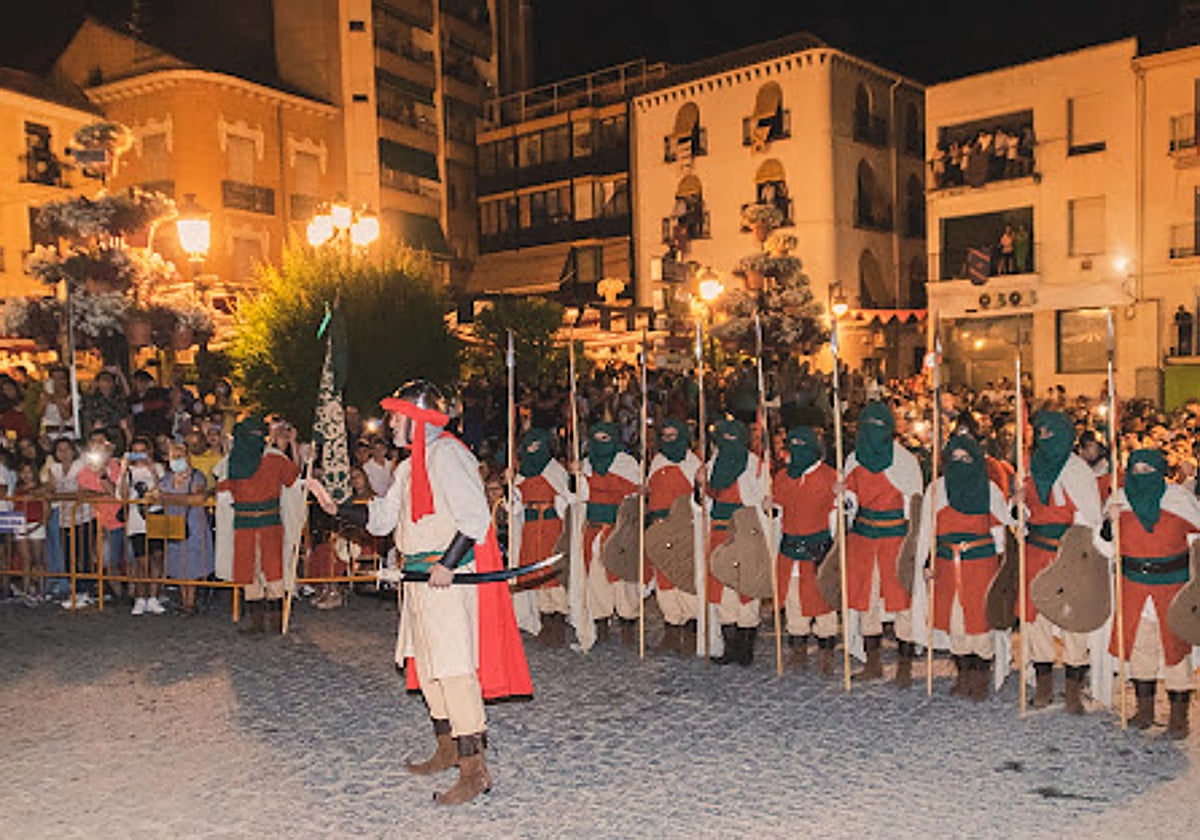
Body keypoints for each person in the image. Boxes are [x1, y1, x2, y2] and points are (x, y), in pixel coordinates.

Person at [309, 379, 531, 806]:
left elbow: (474, 519)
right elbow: (381, 519)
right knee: (428, 668)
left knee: (455, 670)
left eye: (396, 416)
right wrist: (337, 507)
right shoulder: (410, 466)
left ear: (417, 419)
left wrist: (447, 564)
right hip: (416, 581)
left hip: (444, 578)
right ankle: (447, 748)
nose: (390, 423)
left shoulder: (449, 457)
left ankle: (474, 770)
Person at [1108, 448, 1200, 737]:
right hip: (1134, 585)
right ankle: (1144, 710)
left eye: (1149, 470)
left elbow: (1197, 542)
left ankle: (1178, 718)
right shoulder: (1119, 499)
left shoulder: (1179, 499)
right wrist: (1109, 523)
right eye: (1136, 470)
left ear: (1160, 470)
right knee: (1140, 648)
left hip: (1172, 585)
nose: (1141, 476)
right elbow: (1104, 547)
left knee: (1175, 650)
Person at [1017, 411, 1104, 713]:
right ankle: (1043, 687)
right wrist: (1018, 502)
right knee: (1035, 618)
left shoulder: (1077, 471)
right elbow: (1022, 517)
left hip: (1068, 555)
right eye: (1040, 433)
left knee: (1072, 619)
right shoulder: (1028, 468)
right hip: (1036, 552)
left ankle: (1072, 690)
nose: (1044, 439)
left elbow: (1091, 516)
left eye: (1050, 433)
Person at [914, 433, 1011, 700]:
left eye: (965, 458)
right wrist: (927, 561)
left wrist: (1004, 565)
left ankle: (980, 678)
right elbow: (927, 531)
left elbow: (1000, 531)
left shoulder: (988, 489)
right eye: (954, 458)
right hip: (947, 565)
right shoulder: (937, 490)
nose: (960, 463)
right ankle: (964, 675)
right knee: (956, 624)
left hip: (982, 567)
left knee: (980, 623)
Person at [839, 401, 924, 685]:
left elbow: (914, 503)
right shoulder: (853, 459)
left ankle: (904, 666)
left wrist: (915, 545)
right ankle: (873, 663)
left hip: (895, 541)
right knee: (867, 601)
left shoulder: (905, 462)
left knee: (902, 603)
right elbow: (849, 502)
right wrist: (844, 496)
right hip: (863, 540)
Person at [215, 417, 302, 634]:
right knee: (252, 569)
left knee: (269, 568)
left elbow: (293, 478)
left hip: (265, 522)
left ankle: (271, 620)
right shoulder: (235, 460)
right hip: (250, 523)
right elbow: (293, 478)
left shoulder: (265, 459)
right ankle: (261, 621)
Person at [771, 425, 839, 674]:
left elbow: (837, 517)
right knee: (793, 603)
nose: (796, 453)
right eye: (793, 447)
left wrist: (842, 501)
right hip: (789, 550)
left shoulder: (830, 477)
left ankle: (826, 655)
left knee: (823, 604)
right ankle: (798, 652)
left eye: (802, 447)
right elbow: (777, 512)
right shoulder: (782, 477)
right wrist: (771, 507)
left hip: (817, 550)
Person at [702, 419, 769, 666]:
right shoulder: (712, 464)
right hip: (719, 532)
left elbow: (762, 498)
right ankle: (730, 648)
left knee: (746, 588)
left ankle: (745, 649)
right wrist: (702, 485)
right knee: (722, 591)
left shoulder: (755, 466)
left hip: (745, 533)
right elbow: (705, 501)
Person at [579, 421, 642, 645]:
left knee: (623, 579)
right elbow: (581, 497)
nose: (600, 443)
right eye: (596, 438)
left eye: (605, 438)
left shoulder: (626, 463)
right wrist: (575, 477)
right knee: (595, 579)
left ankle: (627, 624)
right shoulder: (585, 464)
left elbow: (634, 495)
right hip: (594, 528)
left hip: (619, 530)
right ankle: (600, 622)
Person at [645, 417, 702, 656]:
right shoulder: (657, 461)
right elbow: (651, 491)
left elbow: (701, 499)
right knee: (664, 580)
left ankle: (690, 630)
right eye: (665, 436)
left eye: (673, 435)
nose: (669, 440)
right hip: (660, 528)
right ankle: (671, 628)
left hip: (683, 527)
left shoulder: (694, 463)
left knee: (684, 576)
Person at [512, 428, 571, 646]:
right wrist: (511, 489)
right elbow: (515, 506)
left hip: (551, 526)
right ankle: (545, 620)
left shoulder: (555, 470)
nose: (533, 450)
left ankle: (558, 622)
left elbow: (566, 498)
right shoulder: (521, 473)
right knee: (536, 574)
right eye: (529, 446)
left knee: (553, 574)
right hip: (530, 527)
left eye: (537, 446)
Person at [162, 439, 214, 614]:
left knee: (191, 563)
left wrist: (171, 498)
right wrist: (180, 497)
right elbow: (157, 495)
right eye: (173, 456)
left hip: (193, 523)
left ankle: (189, 603)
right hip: (174, 523)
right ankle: (184, 600)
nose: (177, 459)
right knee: (177, 563)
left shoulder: (197, 476)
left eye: (180, 456)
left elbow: (198, 498)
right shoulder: (167, 478)